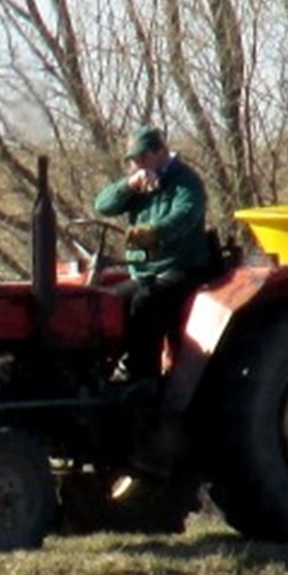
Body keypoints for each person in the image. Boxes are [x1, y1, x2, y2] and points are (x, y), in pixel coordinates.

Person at [92, 125, 211, 383]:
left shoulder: (185, 182)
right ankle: (104, 373)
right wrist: (128, 186)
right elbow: (102, 206)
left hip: (179, 267)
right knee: (106, 303)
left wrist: (151, 234)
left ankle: (144, 380)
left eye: (143, 157)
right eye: (133, 160)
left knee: (145, 303)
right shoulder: (140, 183)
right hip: (145, 270)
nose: (138, 164)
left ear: (160, 152)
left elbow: (185, 217)